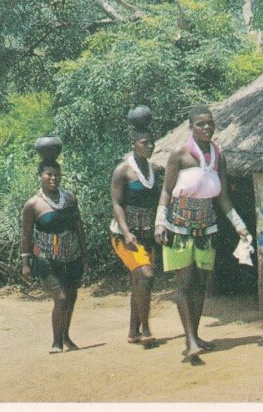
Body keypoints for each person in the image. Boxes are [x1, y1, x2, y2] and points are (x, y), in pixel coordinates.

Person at [155, 105, 254, 359]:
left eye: (210, 123)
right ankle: (190, 341)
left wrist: (240, 226)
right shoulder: (180, 154)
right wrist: (159, 222)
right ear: (191, 126)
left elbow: (223, 197)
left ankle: (195, 335)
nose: (207, 127)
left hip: (207, 226)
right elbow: (166, 191)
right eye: (201, 124)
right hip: (179, 225)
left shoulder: (217, 156)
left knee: (201, 284)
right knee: (185, 282)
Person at [20, 139, 87, 353]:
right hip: (47, 258)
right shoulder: (33, 205)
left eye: (56, 174)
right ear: (40, 176)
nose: (53, 178)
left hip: (72, 255)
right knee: (61, 297)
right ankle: (56, 342)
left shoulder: (69, 198)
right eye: (48, 174)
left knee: (72, 296)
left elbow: (79, 226)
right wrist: (26, 263)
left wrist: (85, 255)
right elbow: (26, 235)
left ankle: (66, 337)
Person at [109, 106, 161, 346]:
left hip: (148, 234)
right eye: (144, 143)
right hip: (126, 236)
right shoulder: (123, 170)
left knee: (139, 281)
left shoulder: (153, 171)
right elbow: (117, 203)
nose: (149, 146)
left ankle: (133, 331)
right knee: (146, 276)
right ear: (134, 144)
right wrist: (127, 232)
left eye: (151, 142)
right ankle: (147, 328)